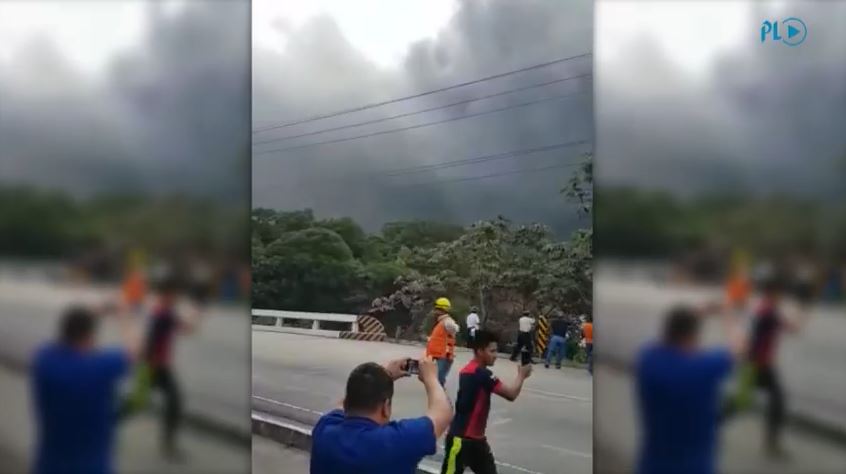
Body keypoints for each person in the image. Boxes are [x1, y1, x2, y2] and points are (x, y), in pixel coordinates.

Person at [32, 303, 141, 474]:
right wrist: (123, 314)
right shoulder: (102, 366)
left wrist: (89, 316)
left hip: (48, 466)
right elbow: (135, 350)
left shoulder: (44, 361)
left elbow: (65, 337)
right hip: (92, 467)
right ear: (90, 335)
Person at [635, 304, 744, 474]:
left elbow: (668, 336)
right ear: (692, 335)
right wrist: (727, 313)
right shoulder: (704, 367)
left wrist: (694, 316)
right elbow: (739, 346)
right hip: (695, 467)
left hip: (651, 466)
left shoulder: (648, 360)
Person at [310, 357, 453, 474]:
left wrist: (385, 375)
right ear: (385, 407)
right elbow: (443, 412)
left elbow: (343, 404)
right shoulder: (398, 442)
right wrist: (431, 378)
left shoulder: (324, 429)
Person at [723, 278, 811, 458]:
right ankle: (771, 444)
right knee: (754, 402)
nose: (782, 297)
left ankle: (771, 443)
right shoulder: (768, 312)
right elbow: (793, 329)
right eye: (780, 293)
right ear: (773, 293)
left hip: (755, 365)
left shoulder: (764, 309)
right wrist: (803, 310)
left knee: (746, 402)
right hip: (757, 365)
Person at [441, 330, 532, 473]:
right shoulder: (481, 374)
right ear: (479, 351)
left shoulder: (469, 370)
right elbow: (511, 394)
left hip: (477, 441)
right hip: (461, 441)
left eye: (496, 351)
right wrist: (521, 375)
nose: (495, 355)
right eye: (492, 351)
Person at [135, 278, 203, 460]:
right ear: (166, 295)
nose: (177, 298)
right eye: (174, 294)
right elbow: (152, 341)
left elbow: (187, 329)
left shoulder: (165, 312)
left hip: (155, 366)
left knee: (150, 402)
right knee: (171, 402)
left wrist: (197, 314)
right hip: (156, 367)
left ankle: (169, 445)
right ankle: (169, 446)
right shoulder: (163, 314)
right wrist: (151, 364)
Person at [426, 297, 459, 387]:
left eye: (436, 309)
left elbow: (455, 329)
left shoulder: (447, 321)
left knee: (439, 380)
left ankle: (440, 394)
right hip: (439, 355)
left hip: (443, 356)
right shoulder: (441, 322)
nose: (434, 311)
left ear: (442, 310)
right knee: (437, 379)